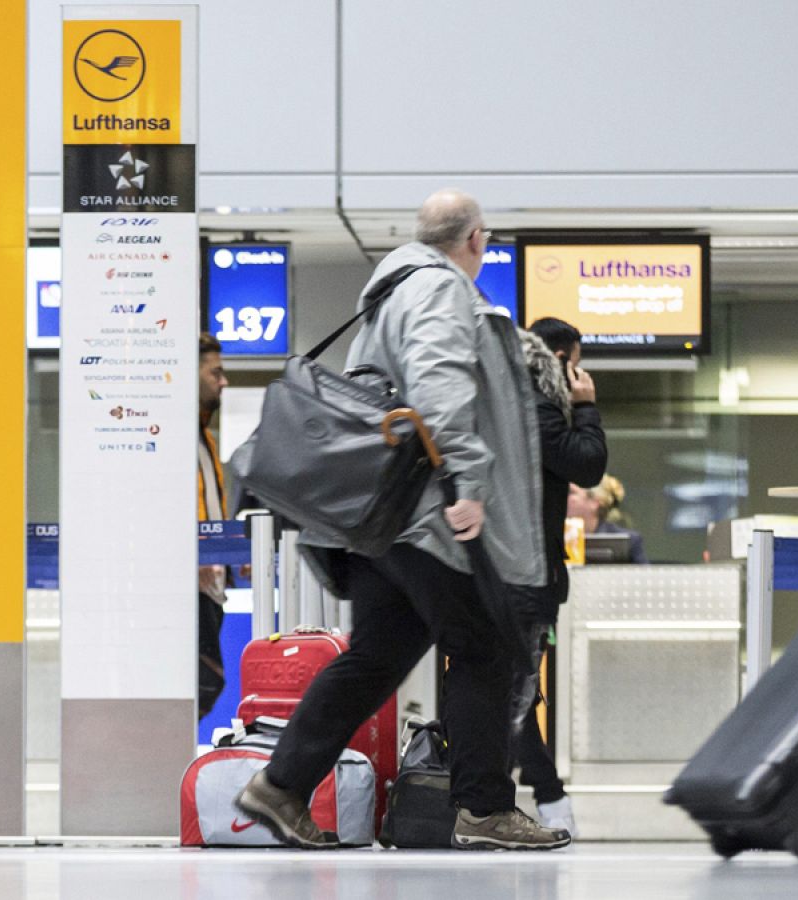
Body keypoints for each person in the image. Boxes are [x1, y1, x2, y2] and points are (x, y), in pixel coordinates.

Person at [235, 190, 570, 851]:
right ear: (476, 240)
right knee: (486, 646)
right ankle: (484, 809)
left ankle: (280, 785)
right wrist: (467, 485)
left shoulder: (390, 291)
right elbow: (440, 382)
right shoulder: (439, 291)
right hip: (427, 513)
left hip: (380, 516)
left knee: (377, 657)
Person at [512, 316, 609, 836]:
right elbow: (587, 464)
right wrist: (587, 407)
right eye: (576, 362)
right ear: (561, 359)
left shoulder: (509, 398)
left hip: (512, 568)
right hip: (524, 572)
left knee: (511, 689)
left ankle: (493, 796)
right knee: (516, 694)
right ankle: (545, 797)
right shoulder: (537, 404)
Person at [196, 334, 231, 721]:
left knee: (206, 682)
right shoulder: (172, 440)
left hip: (210, 587)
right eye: (215, 373)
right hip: (189, 588)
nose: (223, 382)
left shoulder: (204, 439)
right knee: (204, 681)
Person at [567, 476, 648, 564]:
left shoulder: (629, 542)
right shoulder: (554, 536)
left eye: (570, 493)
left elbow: (645, 576)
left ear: (595, 502)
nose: (561, 497)